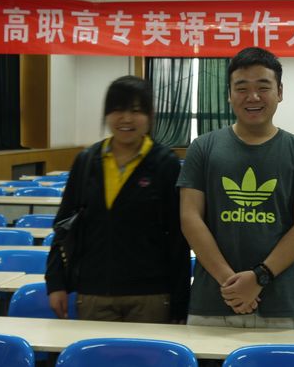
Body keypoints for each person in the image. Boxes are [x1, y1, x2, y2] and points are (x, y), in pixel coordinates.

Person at [178, 47, 294, 329]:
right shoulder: (203, 147)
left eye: (263, 87)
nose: (253, 97)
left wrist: (259, 277)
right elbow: (190, 218)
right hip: (212, 300)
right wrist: (231, 283)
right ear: (229, 94)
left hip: (280, 303)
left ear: (279, 92)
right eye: (242, 88)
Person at [46, 75, 190, 323]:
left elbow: (178, 238)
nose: (126, 119)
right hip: (94, 292)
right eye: (118, 110)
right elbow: (64, 227)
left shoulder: (165, 163)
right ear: (107, 114)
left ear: (149, 116)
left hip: (151, 295)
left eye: (136, 111)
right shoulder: (87, 161)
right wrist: (55, 282)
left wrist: (179, 302)